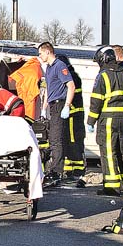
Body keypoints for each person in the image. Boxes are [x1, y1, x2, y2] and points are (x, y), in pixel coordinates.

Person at [87, 46, 123, 196]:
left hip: (108, 120)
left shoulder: (102, 76)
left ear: (103, 60)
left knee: (109, 153)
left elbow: (96, 101)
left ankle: (112, 187)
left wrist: (91, 121)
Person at [38, 42, 75, 188]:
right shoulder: (48, 68)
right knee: (52, 138)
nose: (39, 56)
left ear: (47, 52)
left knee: (56, 139)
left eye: (40, 53)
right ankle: (53, 169)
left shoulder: (60, 66)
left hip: (60, 104)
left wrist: (67, 106)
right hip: (53, 105)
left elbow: (71, 86)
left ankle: (56, 172)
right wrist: (43, 108)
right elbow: (48, 89)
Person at [55, 54, 87, 184]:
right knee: (67, 142)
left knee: (74, 143)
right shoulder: (70, 76)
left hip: (74, 116)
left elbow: (70, 93)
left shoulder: (73, 77)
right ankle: (69, 171)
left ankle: (78, 170)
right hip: (69, 117)